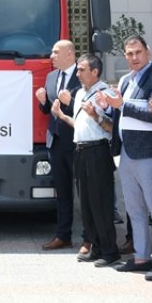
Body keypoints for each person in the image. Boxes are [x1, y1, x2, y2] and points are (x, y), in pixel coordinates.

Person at [103, 36, 152, 280]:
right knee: (134, 209)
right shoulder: (125, 79)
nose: (134, 57)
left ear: (148, 52)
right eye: (129, 53)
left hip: (149, 153)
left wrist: (122, 104)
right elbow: (121, 112)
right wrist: (109, 104)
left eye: (138, 52)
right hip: (126, 152)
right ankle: (142, 257)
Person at [54, 54, 119, 267]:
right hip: (80, 150)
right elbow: (81, 126)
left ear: (95, 71)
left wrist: (96, 115)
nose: (78, 73)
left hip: (98, 152)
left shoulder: (105, 93)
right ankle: (96, 246)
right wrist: (62, 116)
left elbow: (111, 127)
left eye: (82, 70)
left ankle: (110, 251)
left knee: (100, 203)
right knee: (87, 204)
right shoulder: (81, 92)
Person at [35, 40, 82, 252]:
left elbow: (86, 108)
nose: (51, 56)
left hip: (78, 142)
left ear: (70, 53)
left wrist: (70, 101)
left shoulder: (82, 75)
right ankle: (63, 235)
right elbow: (49, 110)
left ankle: (89, 238)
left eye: (56, 52)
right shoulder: (51, 77)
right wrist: (42, 101)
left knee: (85, 192)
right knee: (62, 192)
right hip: (55, 142)